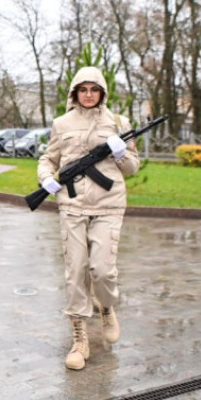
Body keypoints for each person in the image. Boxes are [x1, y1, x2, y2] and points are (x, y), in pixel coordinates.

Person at [36, 66, 139, 371]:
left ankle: (106, 306)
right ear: (75, 92)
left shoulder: (118, 123)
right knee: (76, 270)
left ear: (102, 92)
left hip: (109, 204)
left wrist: (121, 154)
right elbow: (48, 158)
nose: (89, 94)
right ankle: (79, 338)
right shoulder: (62, 123)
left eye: (94, 89)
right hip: (72, 206)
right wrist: (46, 177)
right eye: (83, 89)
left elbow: (132, 167)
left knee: (103, 270)